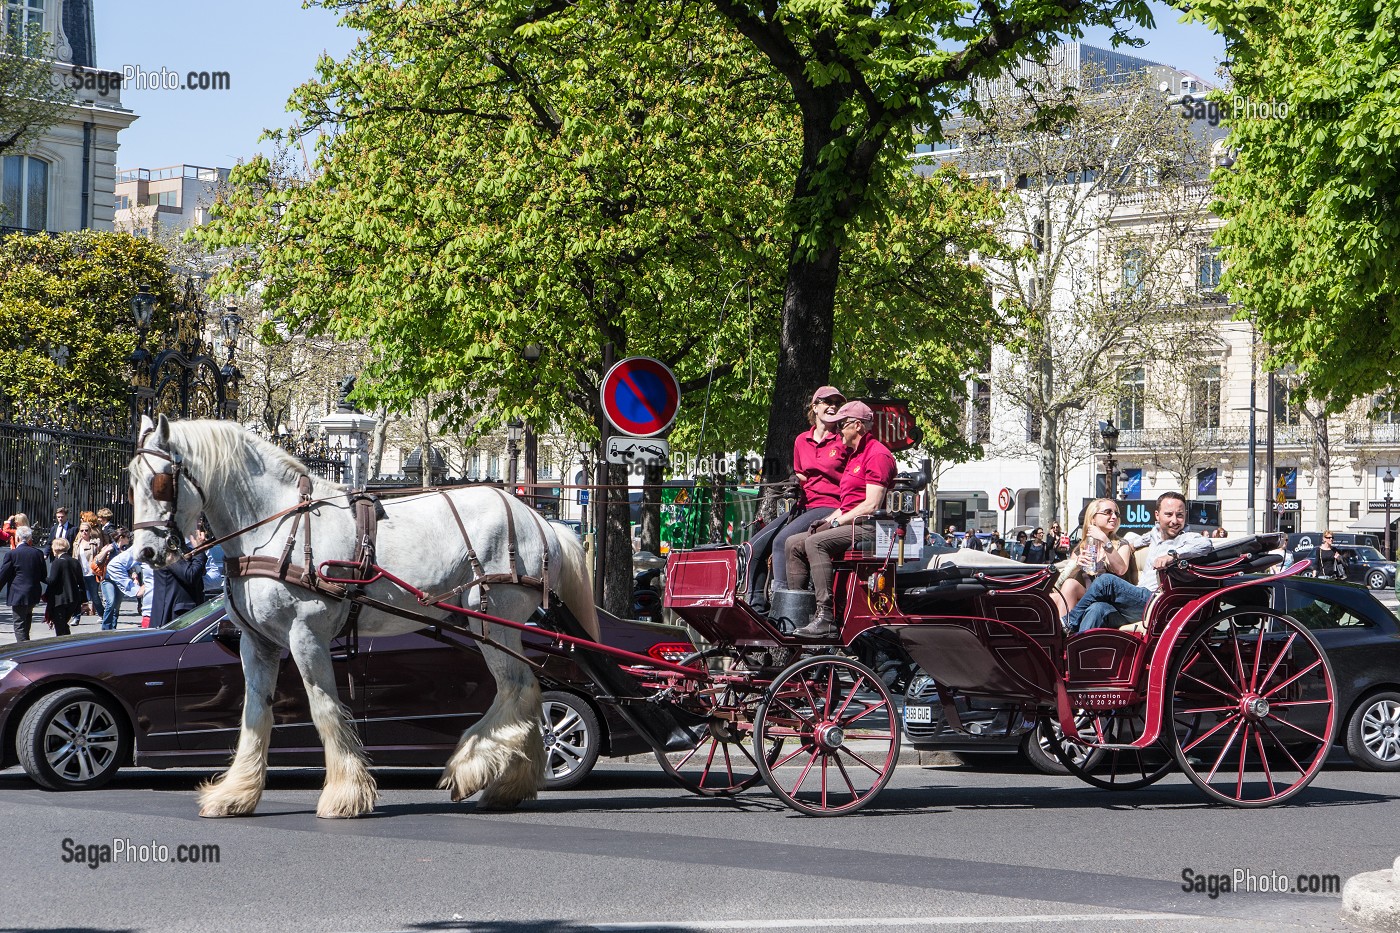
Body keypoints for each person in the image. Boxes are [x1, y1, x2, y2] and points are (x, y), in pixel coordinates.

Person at [786, 401, 897, 638]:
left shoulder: (877, 454)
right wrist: (828, 520)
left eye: (842, 425)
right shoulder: (854, 457)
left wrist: (837, 523)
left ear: (858, 426)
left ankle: (825, 616)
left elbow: (871, 504)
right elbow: (847, 504)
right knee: (793, 543)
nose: (837, 431)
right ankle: (797, 615)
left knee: (815, 543)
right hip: (853, 522)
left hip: (872, 527)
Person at [1063, 491, 1214, 634]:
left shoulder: (1186, 538)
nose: (1174, 521)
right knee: (1096, 609)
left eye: (1179, 515)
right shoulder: (1154, 534)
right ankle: (1077, 653)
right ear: (1157, 515)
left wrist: (1172, 556)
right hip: (1137, 600)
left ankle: (1069, 622)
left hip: (1156, 600)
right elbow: (1132, 542)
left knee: (1106, 581)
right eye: (1168, 514)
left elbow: (1206, 544)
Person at [772, 387, 849, 591]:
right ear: (815, 407)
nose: (833, 406)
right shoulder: (801, 440)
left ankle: (783, 602)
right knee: (759, 543)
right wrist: (792, 482)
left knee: (782, 542)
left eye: (837, 403)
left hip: (831, 505)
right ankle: (757, 604)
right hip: (805, 505)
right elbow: (801, 474)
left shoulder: (843, 441)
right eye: (827, 401)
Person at [1050, 498, 1137, 618]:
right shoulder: (1082, 546)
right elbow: (1061, 584)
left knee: (1069, 587)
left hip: (1112, 597)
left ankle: (1065, 630)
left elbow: (1120, 570)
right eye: (1108, 512)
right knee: (1055, 596)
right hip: (1088, 593)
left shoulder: (1121, 544)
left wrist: (1105, 540)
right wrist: (1075, 564)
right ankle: (1061, 632)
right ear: (1093, 518)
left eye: (1116, 513)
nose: (1114, 517)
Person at [149, 530, 209, 628]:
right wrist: (200, 549)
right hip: (172, 622)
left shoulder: (184, 549)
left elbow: (200, 572)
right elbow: (191, 575)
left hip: (185, 619)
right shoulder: (166, 551)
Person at [0, 526, 47, 642]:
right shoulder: (38, 553)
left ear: (17, 538)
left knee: (19, 624)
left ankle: (23, 650)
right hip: (33, 593)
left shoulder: (12, 554)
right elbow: (43, 575)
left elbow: (3, 576)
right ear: (30, 538)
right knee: (27, 620)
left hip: (18, 594)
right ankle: (27, 645)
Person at [106, 533, 154, 628]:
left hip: (187, 613)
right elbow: (114, 566)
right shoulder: (147, 542)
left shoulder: (187, 540)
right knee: (111, 603)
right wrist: (135, 589)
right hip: (152, 613)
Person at [44, 538, 85, 637]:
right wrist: (84, 600)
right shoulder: (75, 562)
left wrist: (41, 577)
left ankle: (64, 648)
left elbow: (52, 581)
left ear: (56, 549)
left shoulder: (57, 562)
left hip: (59, 600)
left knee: (60, 628)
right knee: (63, 625)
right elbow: (81, 582)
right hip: (73, 599)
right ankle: (69, 643)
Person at [95, 527, 128, 630]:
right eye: (127, 537)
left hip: (120, 580)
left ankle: (113, 628)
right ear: (121, 537)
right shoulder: (110, 547)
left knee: (116, 606)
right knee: (111, 602)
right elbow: (97, 561)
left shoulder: (126, 550)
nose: (129, 539)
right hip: (108, 579)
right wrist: (105, 551)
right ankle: (105, 628)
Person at [73, 521, 105, 621]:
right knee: (78, 596)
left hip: (92, 573)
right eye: (82, 531)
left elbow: (100, 556)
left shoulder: (95, 543)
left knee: (94, 596)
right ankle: (76, 617)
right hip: (80, 573)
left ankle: (102, 614)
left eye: (86, 530)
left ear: (90, 531)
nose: (84, 532)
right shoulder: (76, 544)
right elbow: (74, 558)